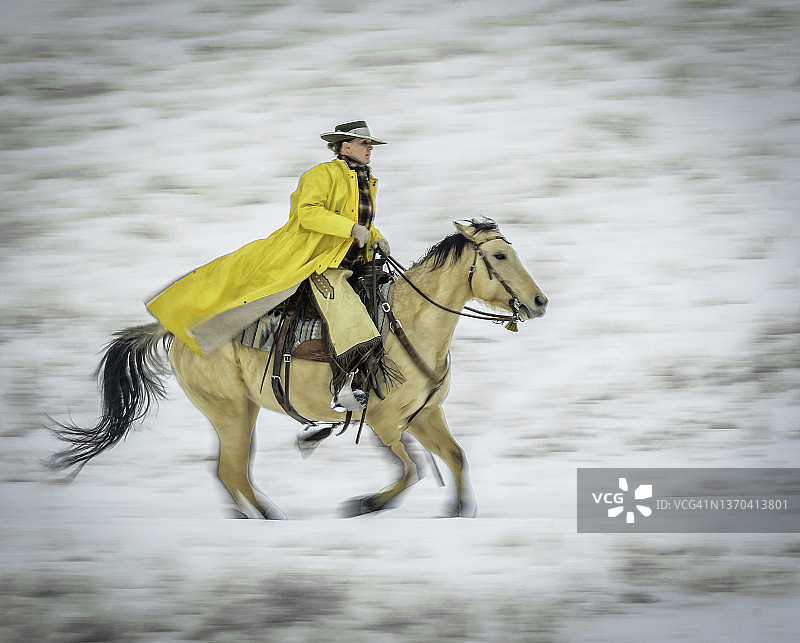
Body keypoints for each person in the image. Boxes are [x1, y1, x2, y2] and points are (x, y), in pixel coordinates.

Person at [145, 120, 392, 410]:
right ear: (344, 146)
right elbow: (309, 213)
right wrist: (350, 229)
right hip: (318, 262)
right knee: (344, 308)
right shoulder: (321, 174)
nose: (370, 147)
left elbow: (360, 222)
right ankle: (345, 384)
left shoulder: (365, 180)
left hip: (350, 261)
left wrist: (376, 236)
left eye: (370, 143)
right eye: (365, 143)